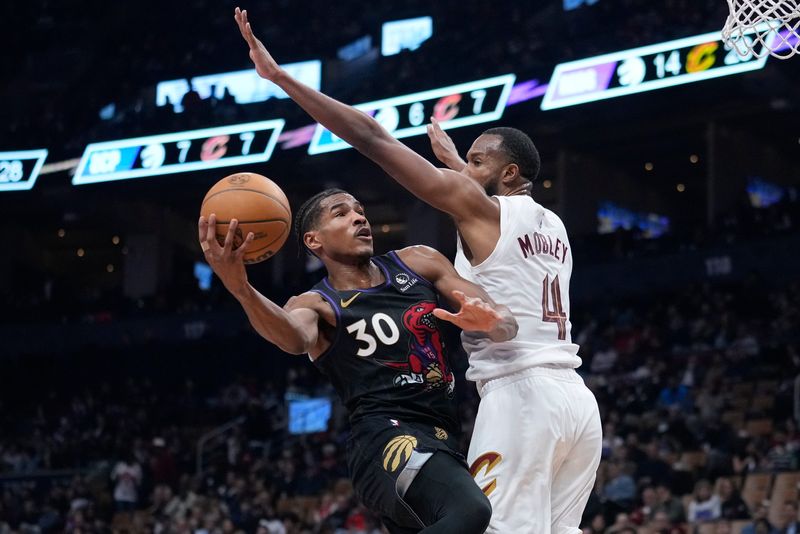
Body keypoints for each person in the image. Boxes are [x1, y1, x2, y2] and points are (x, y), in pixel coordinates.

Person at [233, 8, 602, 532]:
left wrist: (281, 79)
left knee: (484, 526)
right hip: (578, 403)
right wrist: (460, 167)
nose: (464, 171)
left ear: (508, 173)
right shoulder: (554, 225)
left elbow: (372, 138)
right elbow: (496, 223)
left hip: (522, 398)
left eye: (476, 162)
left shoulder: (477, 212)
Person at [198, 187, 517, 533]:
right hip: (383, 439)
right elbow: (293, 339)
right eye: (341, 213)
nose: (359, 218)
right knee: (471, 510)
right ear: (314, 240)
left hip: (443, 436)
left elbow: (505, 321)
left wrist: (493, 322)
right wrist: (241, 289)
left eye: (360, 211)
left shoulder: (418, 261)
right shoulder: (316, 304)